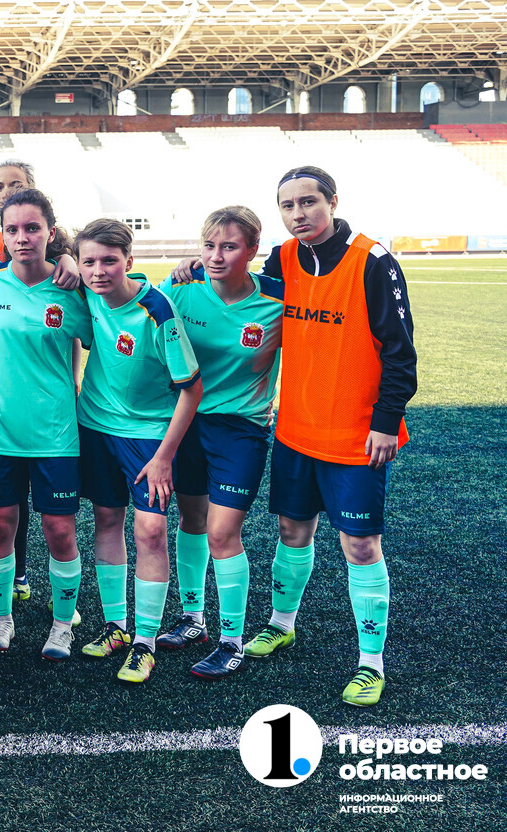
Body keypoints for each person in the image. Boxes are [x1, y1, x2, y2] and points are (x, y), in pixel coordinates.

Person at [173, 167, 414, 705]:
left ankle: (370, 663)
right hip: (295, 429)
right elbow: (237, 284)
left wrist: (385, 421)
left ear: (333, 201)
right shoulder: (283, 259)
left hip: (356, 435)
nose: (298, 213)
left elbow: (401, 351)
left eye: (308, 202)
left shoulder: (372, 261)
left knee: (360, 544)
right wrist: (195, 264)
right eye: (288, 205)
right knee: (291, 529)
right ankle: (282, 623)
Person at [151, 207, 284, 680]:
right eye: (209, 246)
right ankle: (193, 618)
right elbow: (137, 312)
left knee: (223, 534)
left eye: (229, 247)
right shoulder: (181, 289)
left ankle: (232, 641)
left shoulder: (278, 301)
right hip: (185, 423)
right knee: (191, 520)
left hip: (241, 430)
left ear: (253, 249)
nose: (216, 256)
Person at [74, 218, 203, 684]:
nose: (98, 271)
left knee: (150, 531)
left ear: (129, 261)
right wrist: (67, 260)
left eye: (109, 261)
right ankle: (116, 626)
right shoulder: (85, 291)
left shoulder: (157, 311)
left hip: (148, 436)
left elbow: (191, 389)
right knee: (107, 520)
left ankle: (144, 643)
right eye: (89, 261)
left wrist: (164, 457)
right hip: (95, 426)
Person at [0, 188, 93, 660]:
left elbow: (106, 328)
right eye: (12, 229)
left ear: (50, 232)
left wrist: (73, 263)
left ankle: (62, 625)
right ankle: (2, 618)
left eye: (32, 228)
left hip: (55, 432)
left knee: (60, 531)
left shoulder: (72, 288)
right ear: (2, 235)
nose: (22, 237)